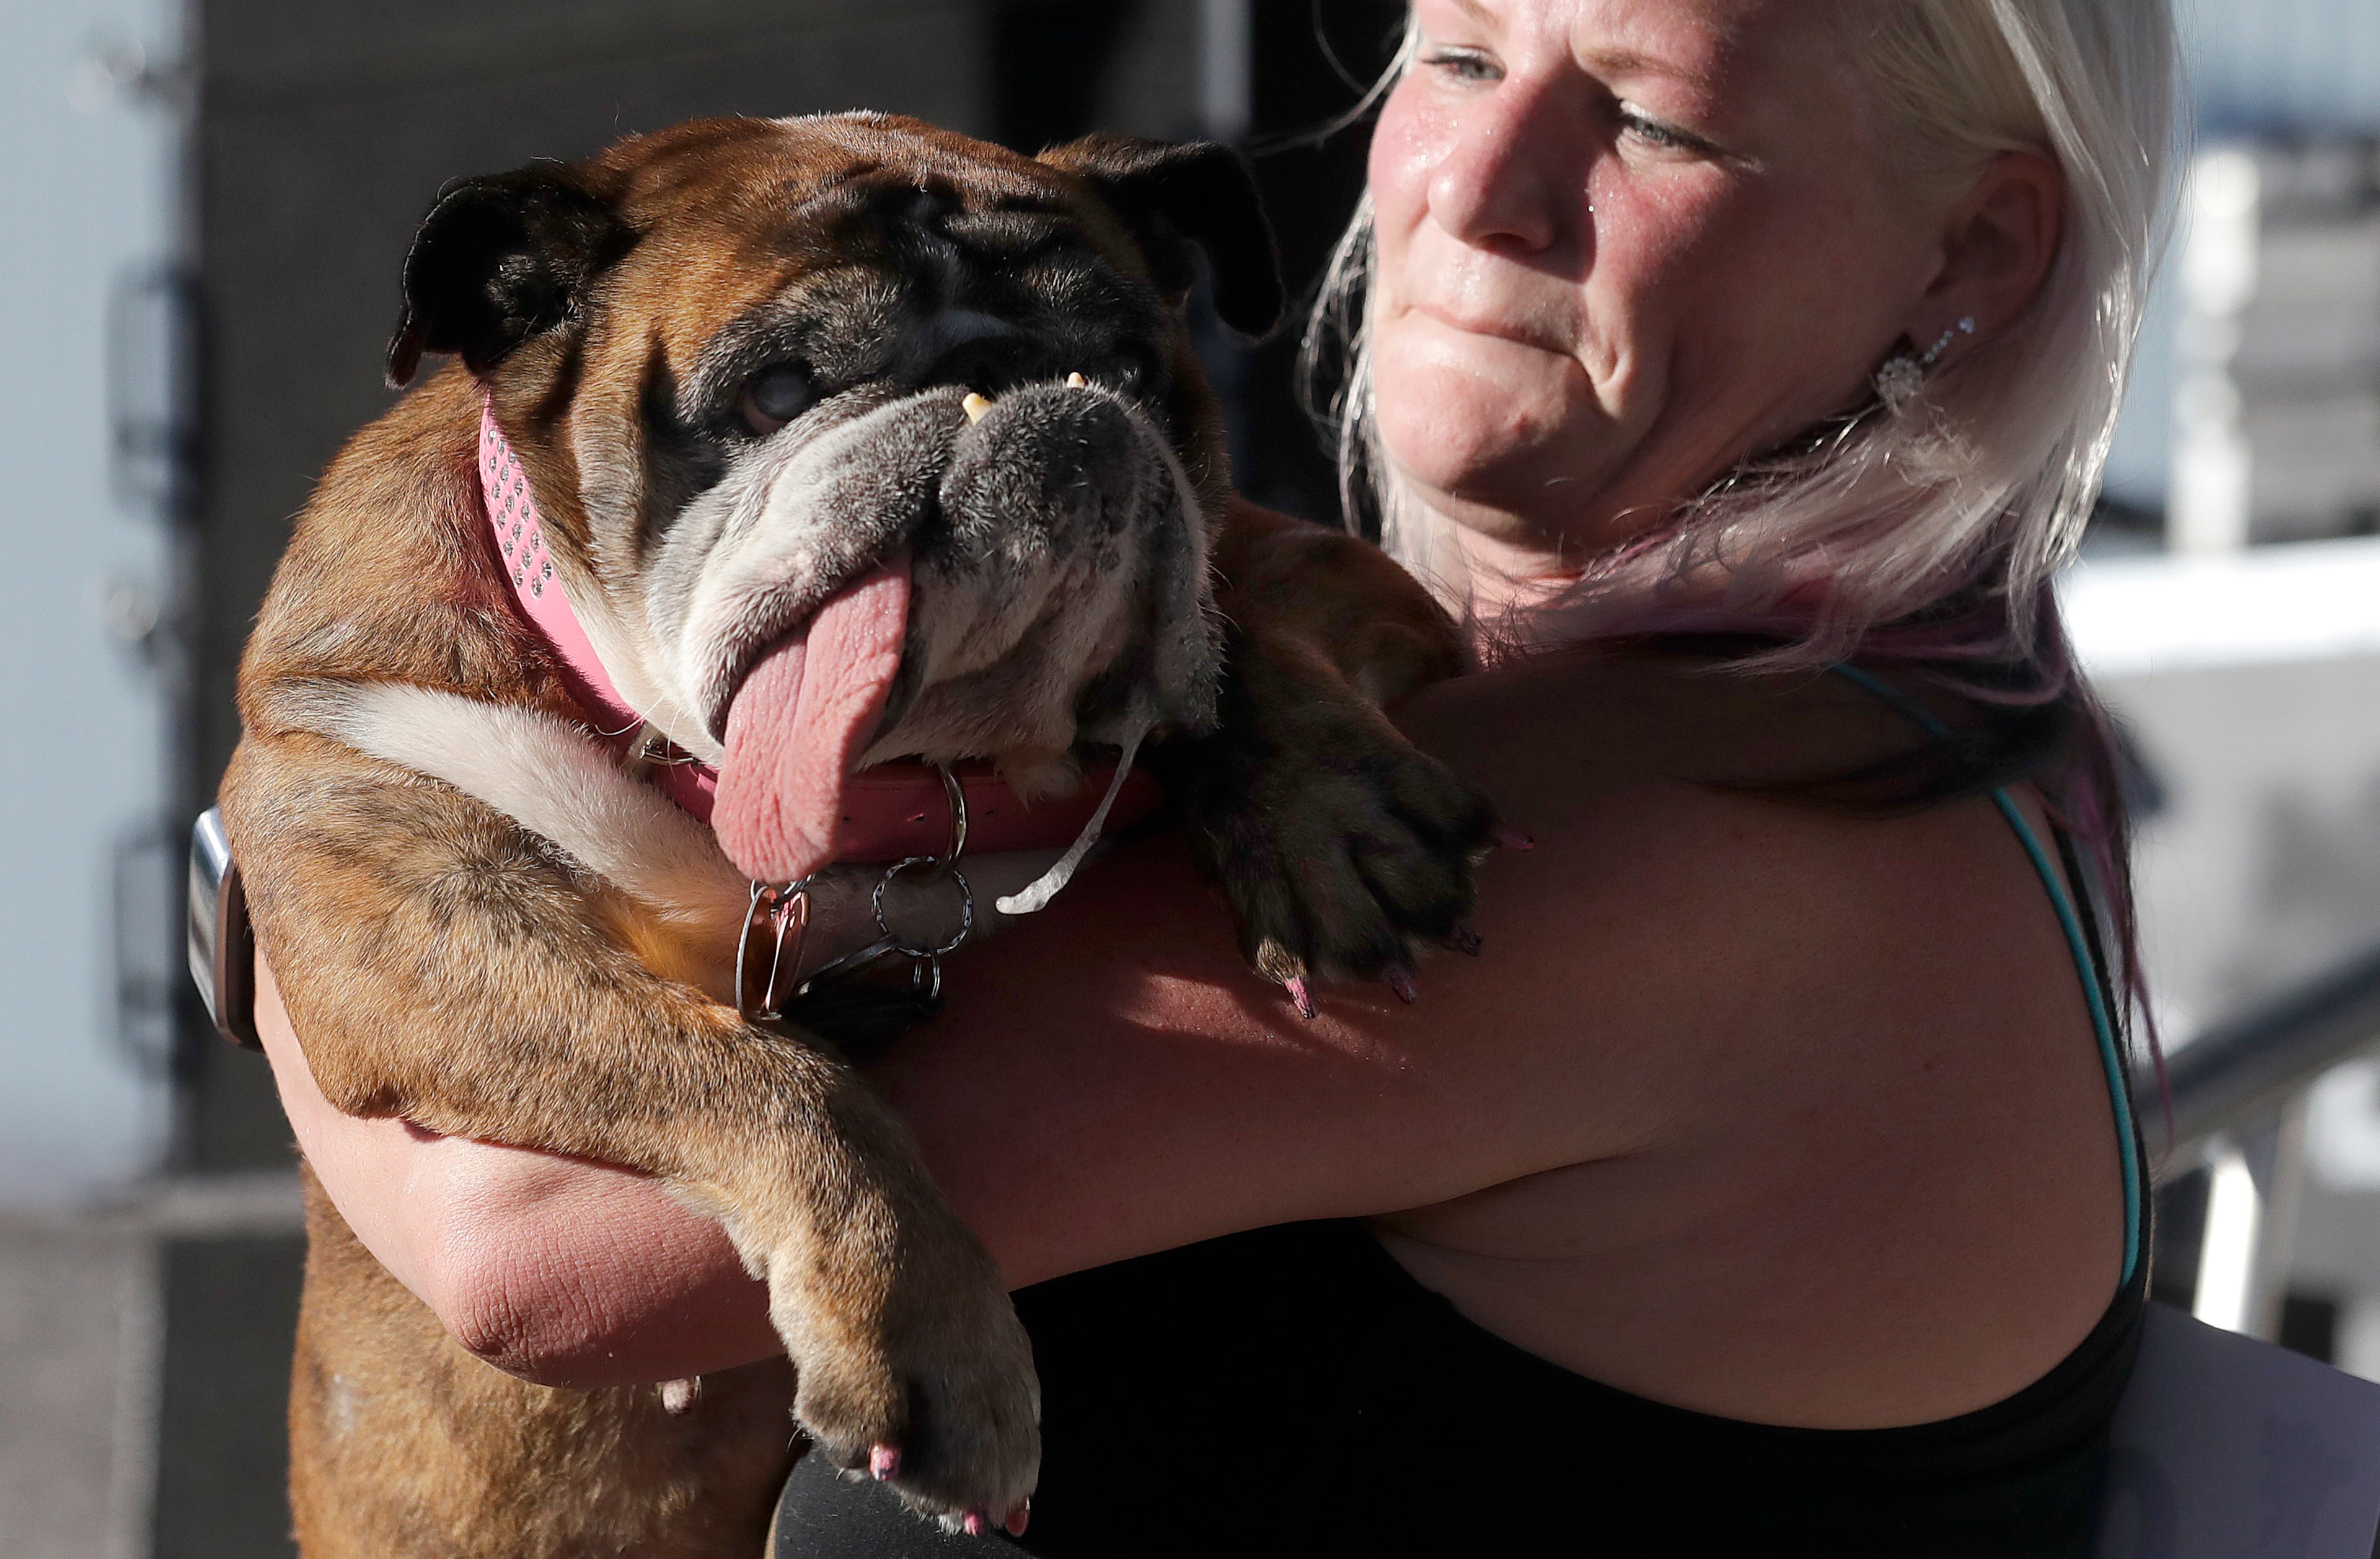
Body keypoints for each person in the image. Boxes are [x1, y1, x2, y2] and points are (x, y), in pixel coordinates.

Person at [255, 0, 2177, 1551]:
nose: (1485, 185)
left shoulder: (1633, 844)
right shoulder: (1835, 721)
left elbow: (539, 1256)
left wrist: (283, 859)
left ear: (1978, 247)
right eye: (1459, 57)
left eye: (1657, 123)